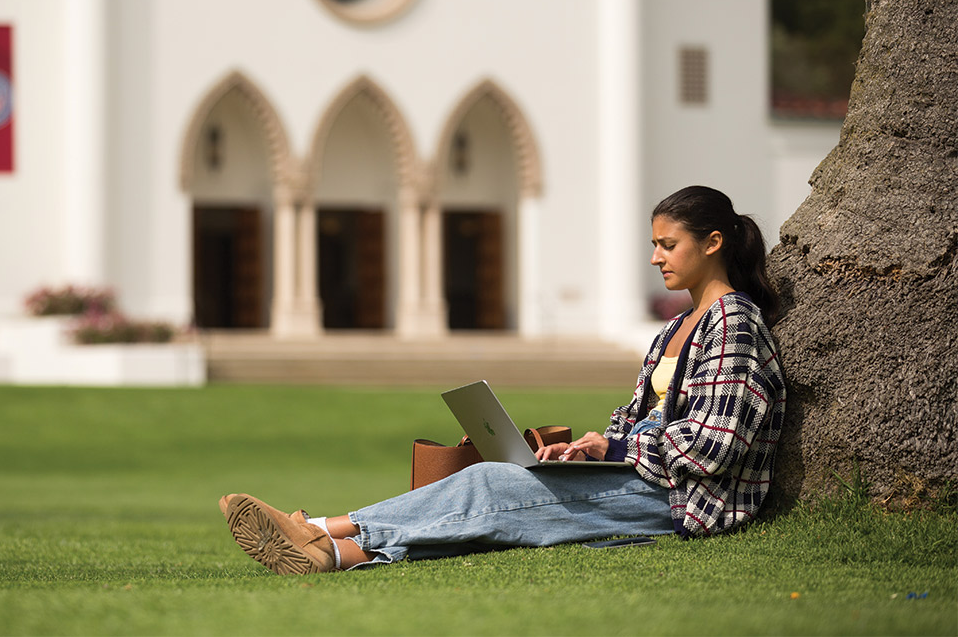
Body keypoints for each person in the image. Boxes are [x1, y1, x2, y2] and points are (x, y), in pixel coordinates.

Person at [220, 185, 786, 575]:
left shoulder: (734, 323)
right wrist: (589, 447)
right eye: (654, 246)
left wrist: (615, 446)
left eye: (669, 245)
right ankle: (335, 557)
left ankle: (316, 527)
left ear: (713, 243)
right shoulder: (675, 329)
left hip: (686, 500)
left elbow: (716, 446)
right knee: (497, 518)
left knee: (490, 489)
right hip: (648, 479)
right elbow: (639, 420)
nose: (657, 258)